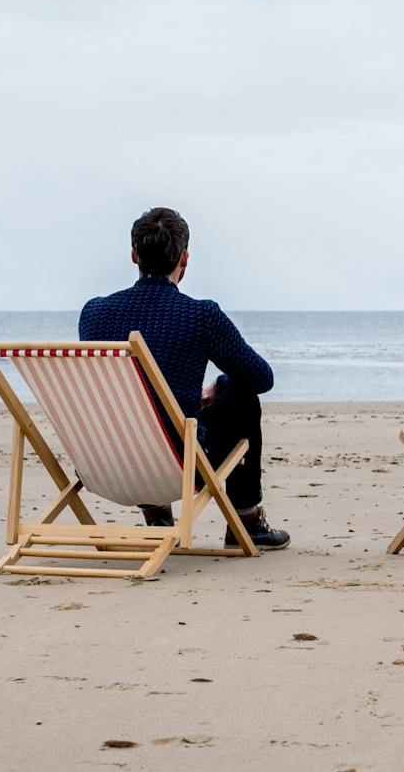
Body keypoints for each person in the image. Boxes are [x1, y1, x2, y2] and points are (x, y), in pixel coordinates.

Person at [78, 207, 290, 550]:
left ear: (134, 256)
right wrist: (220, 386)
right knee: (240, 391)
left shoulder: (94, 313)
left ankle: (158, 515)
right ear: (185, 258)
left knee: (139, 418)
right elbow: (261, 377)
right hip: (178, 464)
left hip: (107, 463)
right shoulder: (199, 314)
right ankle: (247, 521)